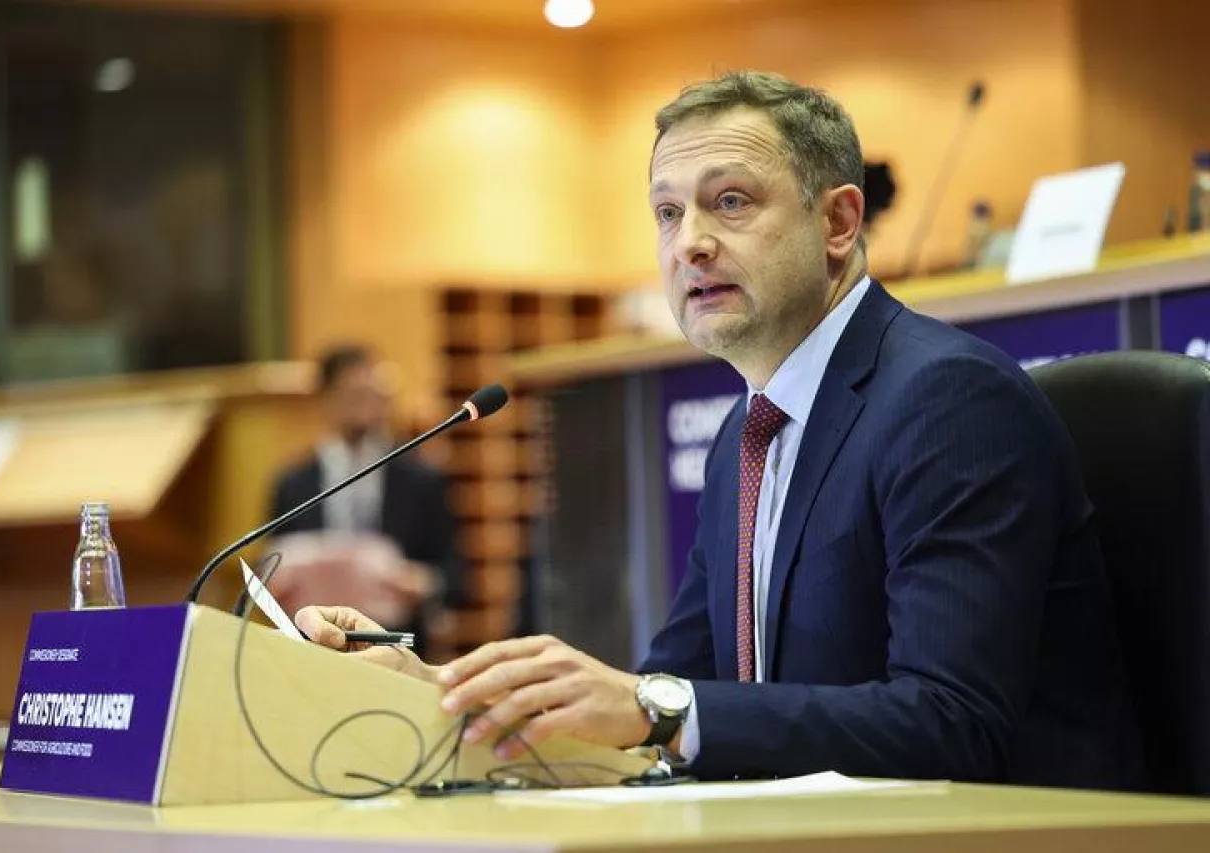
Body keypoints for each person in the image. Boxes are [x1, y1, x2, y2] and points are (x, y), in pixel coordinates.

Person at [296, 71, 1144, 790]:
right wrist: (445, 691)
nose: (689, 244)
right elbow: (667, 703)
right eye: (667, 214)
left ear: (840, 224)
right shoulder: (748, 429)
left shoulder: (946, 401)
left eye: (728, 202)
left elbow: (952, 721)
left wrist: (654, 708)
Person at [269, 345, 466, 656]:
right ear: (326, 398)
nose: (366, 405)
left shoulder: (421, 479)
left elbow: (455, 574)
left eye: (372, 393)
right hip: (316, 647)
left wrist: (425, 582)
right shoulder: (293, 482)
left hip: (399, 645)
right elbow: (272, 561)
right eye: (352, 394)